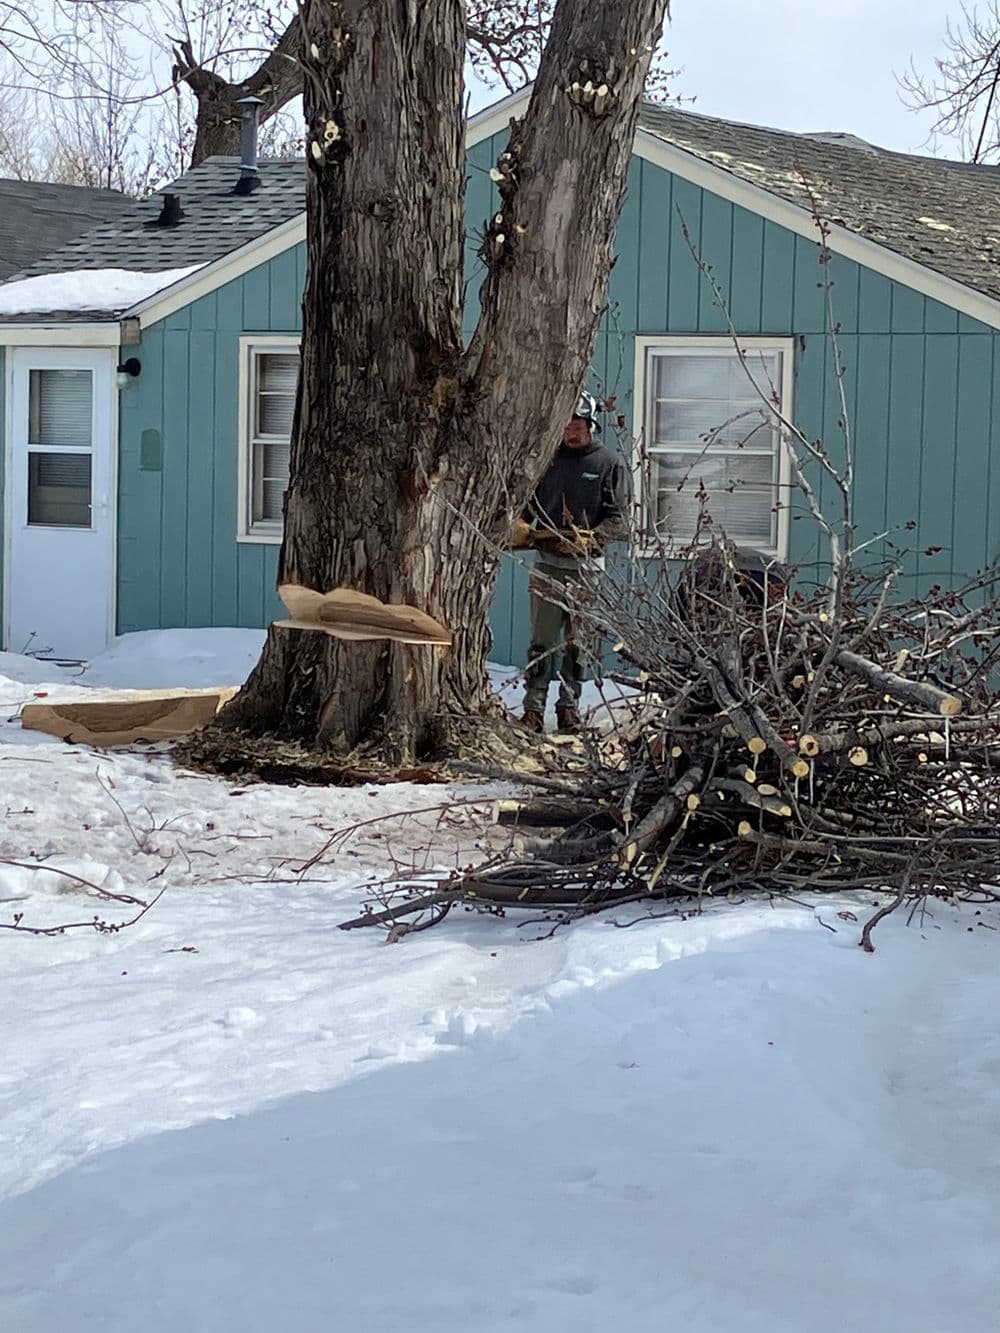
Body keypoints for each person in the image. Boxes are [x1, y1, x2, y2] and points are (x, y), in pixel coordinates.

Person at [511, 391, 628, 734]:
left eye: (576, 425)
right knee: (541, 642)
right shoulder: (547, 461)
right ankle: (532, 710)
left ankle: (569, 708)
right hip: (547, 565)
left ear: (590, 425)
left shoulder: (609, 464)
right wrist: (519, 526)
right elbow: (526, 509)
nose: (569, 432)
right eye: (564, 425)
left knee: (579, 645)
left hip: (586, 571)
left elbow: (620, 519)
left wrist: (593, 537)